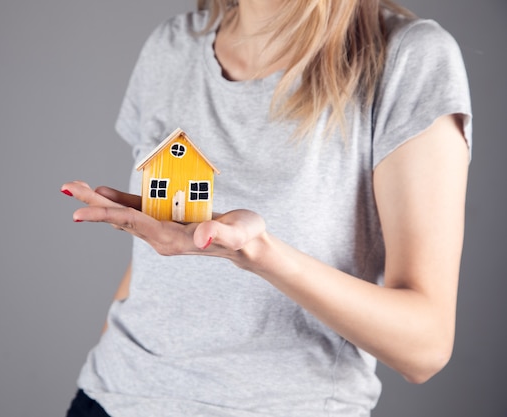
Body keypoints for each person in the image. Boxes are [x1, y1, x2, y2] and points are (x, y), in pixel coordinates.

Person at [61, 0, 472, 415]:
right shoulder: (173, 44)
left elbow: (426, 348)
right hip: (109, 400)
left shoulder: (408, 57)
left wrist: (259, 254)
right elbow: (156, 261)